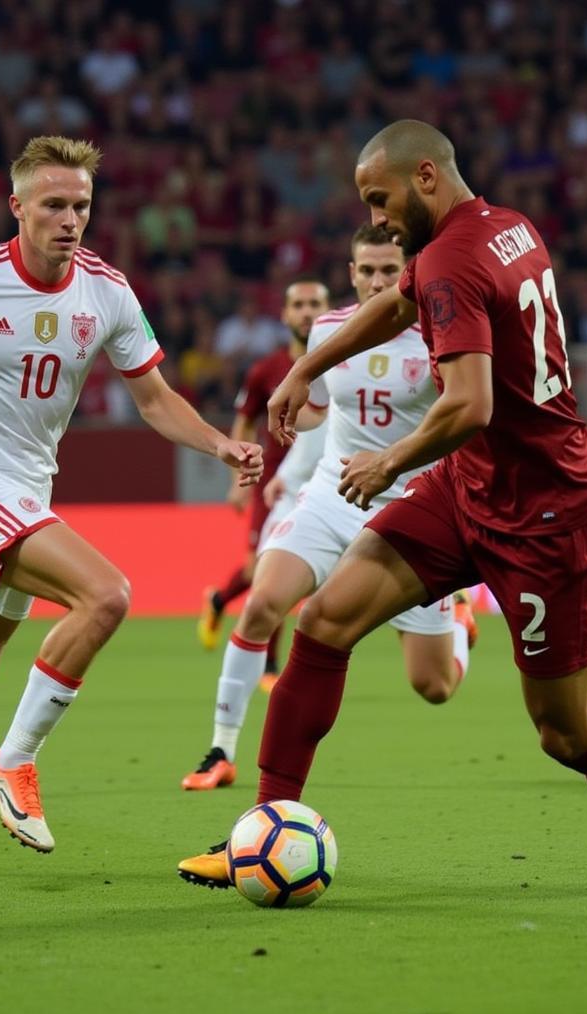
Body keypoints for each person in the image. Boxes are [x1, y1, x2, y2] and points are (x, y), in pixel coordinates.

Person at [178, 120, 587, 894]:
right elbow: (397, 304)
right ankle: (261, 825)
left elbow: (469, 407)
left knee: (564, 731)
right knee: (323, 622)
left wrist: (387, 460)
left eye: (380, 200)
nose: (379, 218)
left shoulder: (451, 259)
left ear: (425, 176)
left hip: (546, 511)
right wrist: (308, 367)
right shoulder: (502, 227)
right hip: (469, 487)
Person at [0, 135, 263, 876]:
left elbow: (155, 399)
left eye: (82, 206)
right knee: (106, 596)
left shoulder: (107, 292)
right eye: (55, 205)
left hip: (25, 497)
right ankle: (13, 762)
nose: (70, 219)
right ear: (18, 207)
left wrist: (221, 444)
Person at [180, 225, 477, 791]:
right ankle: (219, 750)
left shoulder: (442, 337)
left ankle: (460, 622)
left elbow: (460, 418)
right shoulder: (330, 330)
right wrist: (278, 459)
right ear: (350, 272)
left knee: (434, 686)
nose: (376, 282)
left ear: (411, 272)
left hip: (411, 511)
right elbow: (318, 415)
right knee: (262, 604)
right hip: (332, 495)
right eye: (366, 270)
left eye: (389, 271)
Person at [196, 278, 329, 683]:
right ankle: (270, 667)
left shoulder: (343, 363)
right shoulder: (266, 369)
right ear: (286, 315)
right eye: (299, 305)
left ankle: (219, 600)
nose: (307, 312)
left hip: (324, 481)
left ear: (328, 311)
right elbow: (245, 419)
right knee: (265, 569)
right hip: (276, 481)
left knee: (292, 575)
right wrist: (240, 477)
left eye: (315, 304)